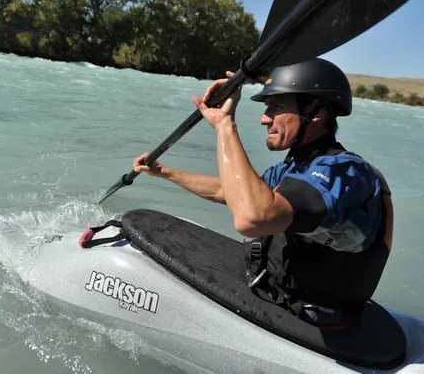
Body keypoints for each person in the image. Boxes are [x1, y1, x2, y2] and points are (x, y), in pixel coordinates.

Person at [133, 58, 393, 327]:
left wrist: (225, 125)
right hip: (278, 293)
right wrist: (165, 172)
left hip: (315, 317)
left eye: (277, 107)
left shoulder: (345, 174)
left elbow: (251, 217)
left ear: (316, 113)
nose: (263, 118)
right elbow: (231, 190)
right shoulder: (296, 167)